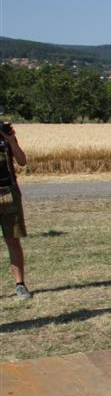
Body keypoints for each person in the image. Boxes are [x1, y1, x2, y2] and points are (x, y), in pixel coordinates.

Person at [0, 120, 31, 300]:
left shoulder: (6, 133)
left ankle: (20, 285)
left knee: (13, 239)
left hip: (8, 192)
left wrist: (11, 140)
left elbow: (22, 161)